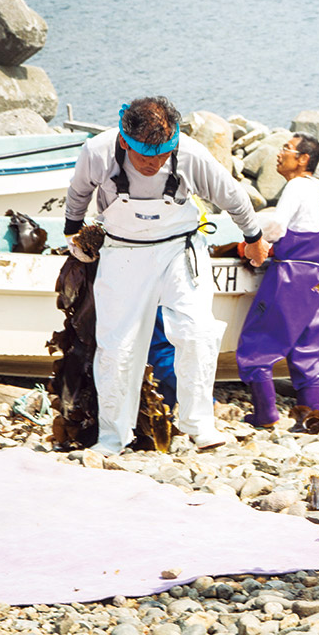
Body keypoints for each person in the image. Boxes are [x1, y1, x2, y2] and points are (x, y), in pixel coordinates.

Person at [64, 96, 270, 456]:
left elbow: (232, 196)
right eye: (147, 157)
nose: (155, 163)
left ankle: (199, 423)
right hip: (123, 252)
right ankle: (113, 436)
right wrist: (73, 235)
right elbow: (78, 194)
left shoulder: (190, 154)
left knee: (197, 333)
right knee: (117, 346)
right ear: (126, 141)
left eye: (163, 155)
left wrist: (254, 239)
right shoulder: (97, 152)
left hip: (180, 250)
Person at [235, 133, 319, 427]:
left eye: (287, 149)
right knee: (307, 348)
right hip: (318, 275)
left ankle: (265, 414)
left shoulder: (297, 185)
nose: (280, 154)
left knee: (258, 344)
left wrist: (254, 240)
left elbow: (277, 226)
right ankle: (309, 417)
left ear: (303, 159)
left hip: (290, 275)